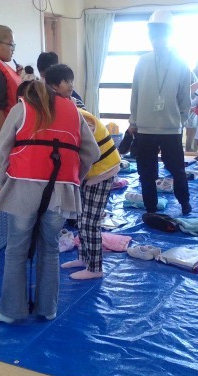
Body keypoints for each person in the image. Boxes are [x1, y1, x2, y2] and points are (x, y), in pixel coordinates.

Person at [0, 81, 100, 322]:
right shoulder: (73, 111)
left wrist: (2, 181)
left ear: (25, 95)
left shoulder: (21, 108)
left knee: (16, 250)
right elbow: (93, 153)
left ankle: (11, 311)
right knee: (50, 249)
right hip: (60, 192)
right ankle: (48, 309)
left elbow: (2, 149)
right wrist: (74, 179)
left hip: (23, 188)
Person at [45, 64, 121, 280]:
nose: (70, 85)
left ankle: (95, 268)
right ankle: (84, 258)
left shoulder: (76, 114)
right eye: (67, 81)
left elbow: (88, 152)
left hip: (102, 172)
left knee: (90, 222)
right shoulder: (66, 110)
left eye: (71, 81)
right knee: (81, 218)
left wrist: (76, 178)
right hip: (91, 173)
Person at [129, 10, 192, 215]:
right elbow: (135, 92)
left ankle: (184, 203)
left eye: (161, 34)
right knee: (146, 172)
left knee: (177, 169)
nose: (156, 39)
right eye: (153, 35)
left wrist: (180, 121)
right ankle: (150, 209)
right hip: (145, 128)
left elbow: (185, 98)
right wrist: (133, 121)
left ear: (170, 35)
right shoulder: (142, 61)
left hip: (171, 128)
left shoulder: (181, 63)